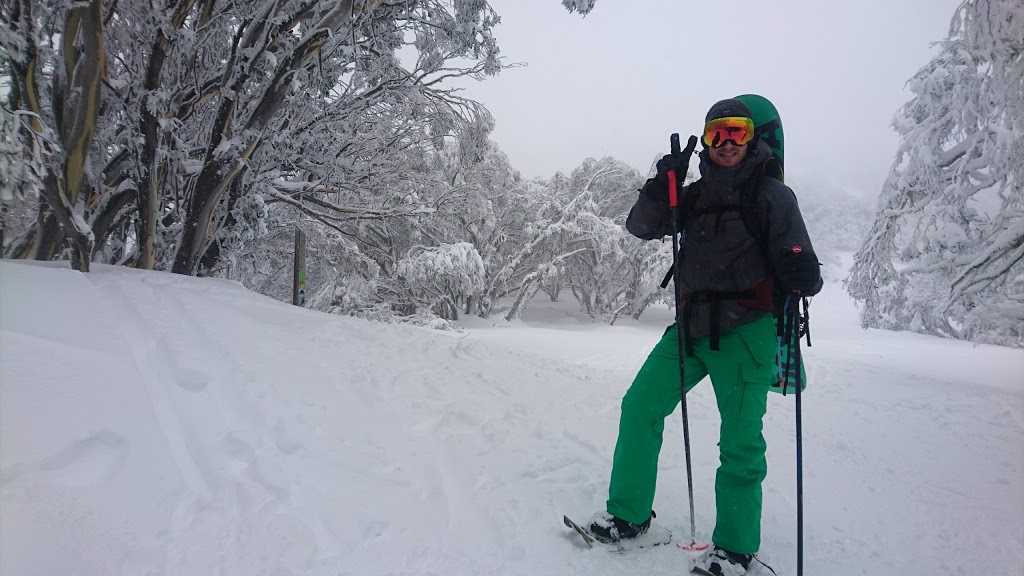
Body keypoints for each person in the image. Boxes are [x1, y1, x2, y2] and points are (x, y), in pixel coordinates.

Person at [588, 98, 822, 575]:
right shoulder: (689, 196)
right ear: (706, 141)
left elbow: (805, 272)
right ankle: (628, 517)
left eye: (737, 132)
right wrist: (659, 186)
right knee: (640, 407)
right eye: (717, 134)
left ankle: (734, 551)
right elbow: (641, 227)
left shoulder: (774, 197)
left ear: (752, 138)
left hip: (746, 333)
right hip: (690, 329)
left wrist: (802, 273)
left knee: (738, 443)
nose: (727, 143)